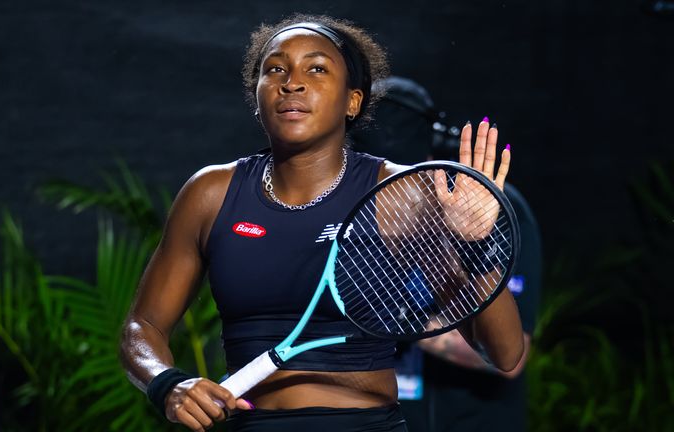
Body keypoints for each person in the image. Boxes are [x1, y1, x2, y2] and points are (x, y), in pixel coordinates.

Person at [120, 14, 524, 432]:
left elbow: (505, 352)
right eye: (275, 69)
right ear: (256, 95)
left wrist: (475, 245)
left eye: (316, 69)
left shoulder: (399, 194)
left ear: (353, 101)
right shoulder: (210, 193)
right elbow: (141, 327)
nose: (291, 83)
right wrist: (167, 383)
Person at [350, 76, 541, 432]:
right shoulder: (344, 212)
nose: (391, 203)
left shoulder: (490, 211)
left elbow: (509, 358)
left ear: (429, 157)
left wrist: (408, 322)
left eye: (401, 182)